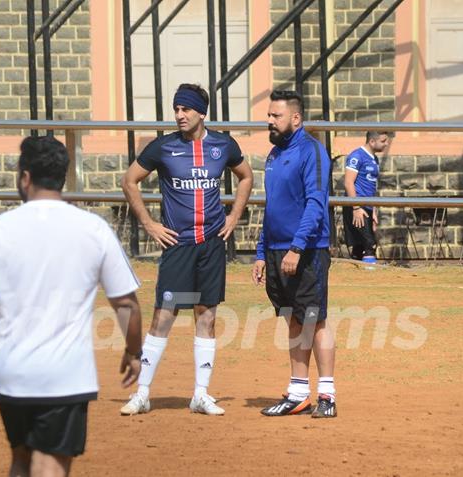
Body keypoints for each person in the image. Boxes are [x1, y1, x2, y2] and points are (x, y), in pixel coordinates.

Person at [0, 136, 143, 477]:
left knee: (20, 459)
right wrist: (134, 350)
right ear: (63, 177)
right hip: (65, 376)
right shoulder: (93, 229)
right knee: (49, 465)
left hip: (11, 373)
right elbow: (126, 302)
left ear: (25, 177)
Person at [120, 83, 254, 416]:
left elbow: (246, 176)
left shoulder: (223, 145)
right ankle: (142, 393)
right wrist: (150, 224)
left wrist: (234, 215)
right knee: (162, 318)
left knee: (206, 318)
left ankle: (200, 394)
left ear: (201, 113)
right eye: (176, 109)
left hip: (211, 244)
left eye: (186, 109)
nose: (179, 115)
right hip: (178, 244)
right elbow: (129, 180)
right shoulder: (163, 147)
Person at [252, 90, 337, 418]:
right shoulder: (274, 155)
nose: (269, 121)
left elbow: (316, 202)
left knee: (315, 321)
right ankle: (299, 394)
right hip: (275, 252)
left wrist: (297, 247)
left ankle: (327, 395)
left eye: (276, 116)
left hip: (306, 251)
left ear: (296, 119)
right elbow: (272, 208)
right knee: (293, 320)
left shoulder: (312, 151)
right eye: (269, 115)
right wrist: (261, 252)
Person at [342, 131, 391, 264]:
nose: (386, 144)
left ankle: (356, 278)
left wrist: (373, 210)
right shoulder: (357, 156)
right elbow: (348, 182)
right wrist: (356, 207)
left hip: (367, 206)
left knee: (360, 246)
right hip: (357, 206)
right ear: (372, 141)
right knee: (370, 243)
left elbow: (372, 185)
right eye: (383, 141)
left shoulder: (374, 158)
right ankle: (370, 275)